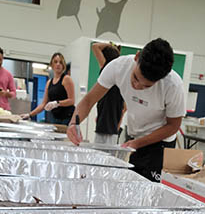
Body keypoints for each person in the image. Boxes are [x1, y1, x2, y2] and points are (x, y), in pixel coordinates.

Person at [67, 38, 186, 181]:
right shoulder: (118, 67)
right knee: (132, 183)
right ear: (137, 57)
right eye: (135, 77)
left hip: (160, 144)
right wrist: (74, 122)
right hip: (135, 138)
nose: (137, 86)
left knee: (149, 190)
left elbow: (173, 126)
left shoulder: (173, 85)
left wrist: (137, 143)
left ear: (161, 78)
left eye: (146, 86)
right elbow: (88, 100)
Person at [24, 53, 75, 125]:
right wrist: (30, 114)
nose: (58, 64)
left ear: (63, 65)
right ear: (52, 65)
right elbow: (43, 104)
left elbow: (71, 100)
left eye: (60, 62)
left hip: (67, 118)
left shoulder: (66, 79)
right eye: (55, 62)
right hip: (54, 117)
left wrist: (57, 103)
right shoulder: (49, 82)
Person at [92, 42, 125, 146]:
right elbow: (124, 107)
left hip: (107, 122)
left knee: (100, 151)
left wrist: (110, 45)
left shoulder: (106, 68)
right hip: (110, 123)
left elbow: (95, 46)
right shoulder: (121, 75)